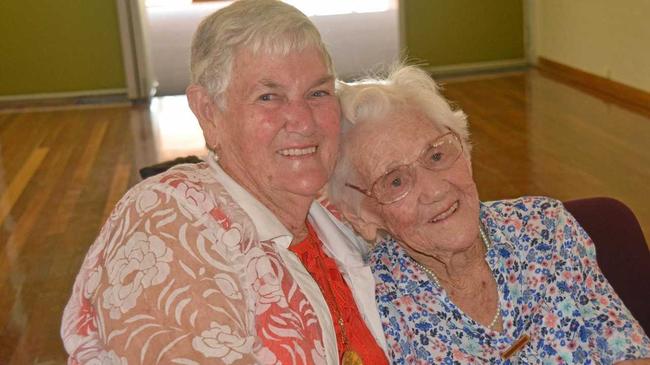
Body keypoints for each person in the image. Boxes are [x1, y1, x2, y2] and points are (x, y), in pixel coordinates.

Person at [60, 1, 388, 363]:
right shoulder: (166, 224)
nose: (303, 121)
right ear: (208, 113)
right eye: (268, 97)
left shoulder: (332, 213)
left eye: (318, 92)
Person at [327, 65, 650, 364]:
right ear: (361, 217)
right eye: (395, 180)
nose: (436, 190)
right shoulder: (373, 306)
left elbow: (626, 349)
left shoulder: (546, 229)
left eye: (437, 155)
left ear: (465, 151)